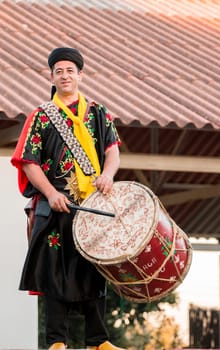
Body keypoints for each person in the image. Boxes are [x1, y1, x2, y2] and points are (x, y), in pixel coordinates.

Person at [11, 47, 125, 350]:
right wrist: (50, 193)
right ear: (52, 76)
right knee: (54, 271)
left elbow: (112, 152)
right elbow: (28, 161)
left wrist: (108, 175)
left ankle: (98, 341)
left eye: (70, 70)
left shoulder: (99, 113)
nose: (64, 75)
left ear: (80, 75)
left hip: (92, 206)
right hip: (56, 205)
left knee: (93, 269)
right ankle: (56, 342)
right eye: (59, 71)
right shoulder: (41, 116)